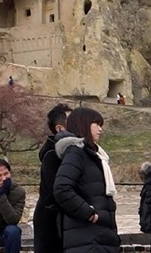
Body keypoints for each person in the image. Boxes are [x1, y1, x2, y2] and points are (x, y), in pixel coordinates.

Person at [53, 107, 121, 252]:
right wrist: (89, 213)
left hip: (99, 237)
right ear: (83, 124)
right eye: (96, 124)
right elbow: (62, 189)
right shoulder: (76, 153)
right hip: (87, 238)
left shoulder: (95, 156)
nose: (100, 129)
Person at [33, 103, 72, 253]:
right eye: (72, 121)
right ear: (60, 128)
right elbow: (57, 191)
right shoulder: (52, 155)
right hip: (51, 221)